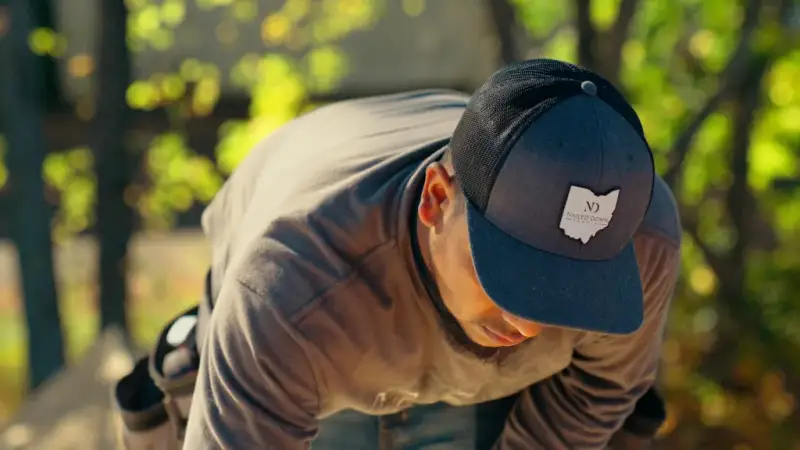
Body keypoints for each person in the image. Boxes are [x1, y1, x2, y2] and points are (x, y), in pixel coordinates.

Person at [116, 59, 680, 450]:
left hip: (496, 387)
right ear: (437, 198)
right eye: (514, 274)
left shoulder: (638, 241)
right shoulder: (287, 286)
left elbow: (600, 390)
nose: (530, 323)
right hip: (322, 349)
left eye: (568, 289)